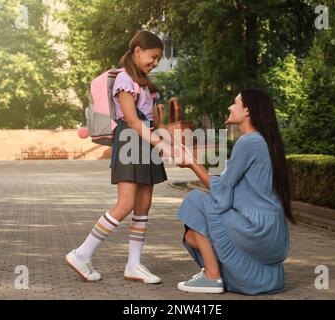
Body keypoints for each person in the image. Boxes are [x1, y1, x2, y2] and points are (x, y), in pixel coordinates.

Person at [65, 30, 173, 284]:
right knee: (125, 204)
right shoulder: (125, 79)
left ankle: (133, 265)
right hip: (130, 141)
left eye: (158, 59)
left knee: (143, 206)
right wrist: (159, 142)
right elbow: (133, 121)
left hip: (146, 143)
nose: (155, 62)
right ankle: (82, 254)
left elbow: (154, 121)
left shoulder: (148, 85)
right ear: (137, 51)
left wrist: (168, 141)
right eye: (152, 56)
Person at [175, 89, 296, 295]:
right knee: (190, 237)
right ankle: (235, 278)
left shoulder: (249, 141)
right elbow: (226, 188)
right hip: (273, 233)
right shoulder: (265, 141)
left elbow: (222, 192)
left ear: (247, 110)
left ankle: (212, 277)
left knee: (195, 200)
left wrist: (192, 164)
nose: (230, 107)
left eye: (235, 103)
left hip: (256, 228)